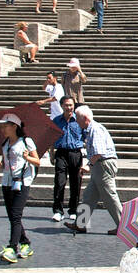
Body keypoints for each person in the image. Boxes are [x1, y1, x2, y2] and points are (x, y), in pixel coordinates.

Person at [0, 113, 39, 262]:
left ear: (14, 126)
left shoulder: (26, 141)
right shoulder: (5, 144)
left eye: (5, 126)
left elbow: (37, 161)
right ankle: (25, 242)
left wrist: (27, 158)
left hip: (22, 182)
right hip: (7, 182)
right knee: (13, 216)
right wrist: (1, 165)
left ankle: (12, 247)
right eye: (2, 127)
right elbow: (6, 163)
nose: (3, 129)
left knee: (16, 215)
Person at [75, 105, 121, 232]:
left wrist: (88, 165)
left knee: (110, 196)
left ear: (85, 118)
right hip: (99, 165)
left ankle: (123, 225)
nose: (76, 122)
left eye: (77, 119)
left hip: (103, 164)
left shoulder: (95, 129)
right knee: (89, 195)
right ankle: (80, 223)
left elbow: (99, 152)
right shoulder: (90, 130)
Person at [51, 95, 85, 223]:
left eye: (71, 105)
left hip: (76, 153)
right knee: (59, 182)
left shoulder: (79, 120)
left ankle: (73, 210)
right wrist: (51, 153)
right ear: (61, 106)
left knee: (76, 183)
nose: (69, 107)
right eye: (66, 105)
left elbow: (86, 136)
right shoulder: (56, 120)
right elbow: (52, 137)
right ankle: (58, 211)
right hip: (61, 152)